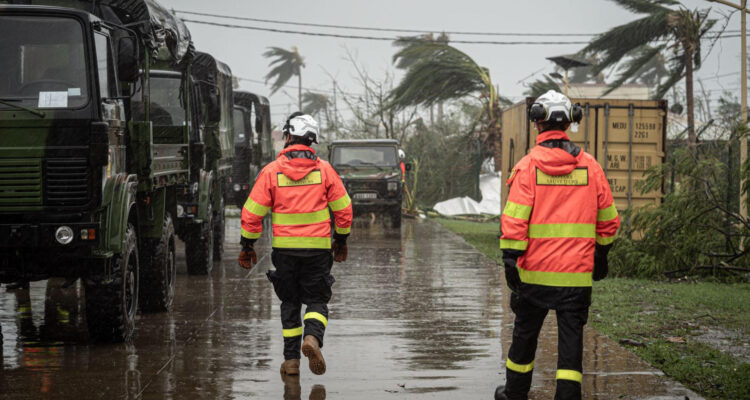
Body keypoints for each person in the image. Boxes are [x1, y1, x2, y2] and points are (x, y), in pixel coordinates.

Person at [495, 90, 620, 400]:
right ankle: (566, 395)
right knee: (571, 340)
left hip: (534, 275)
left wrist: (511, 261)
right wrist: (601, 255)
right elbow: (609, 221)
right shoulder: (591, 167)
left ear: (538, 123)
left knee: (524, 334)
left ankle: (514, 393)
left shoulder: (528, 167)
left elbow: (514, 220)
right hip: (576, 278)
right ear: (570, 123)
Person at [238, 112, 352, 377]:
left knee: (290, 303)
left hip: (285, 252)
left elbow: (251, 213)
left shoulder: (271, 171)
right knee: (317, 300)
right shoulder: (324, 171)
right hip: (318, 251)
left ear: (288, 136)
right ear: (311, 140)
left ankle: (291, 362)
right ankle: (312, 338)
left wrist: (247, 245)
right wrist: (341, 239)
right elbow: (344, 209)